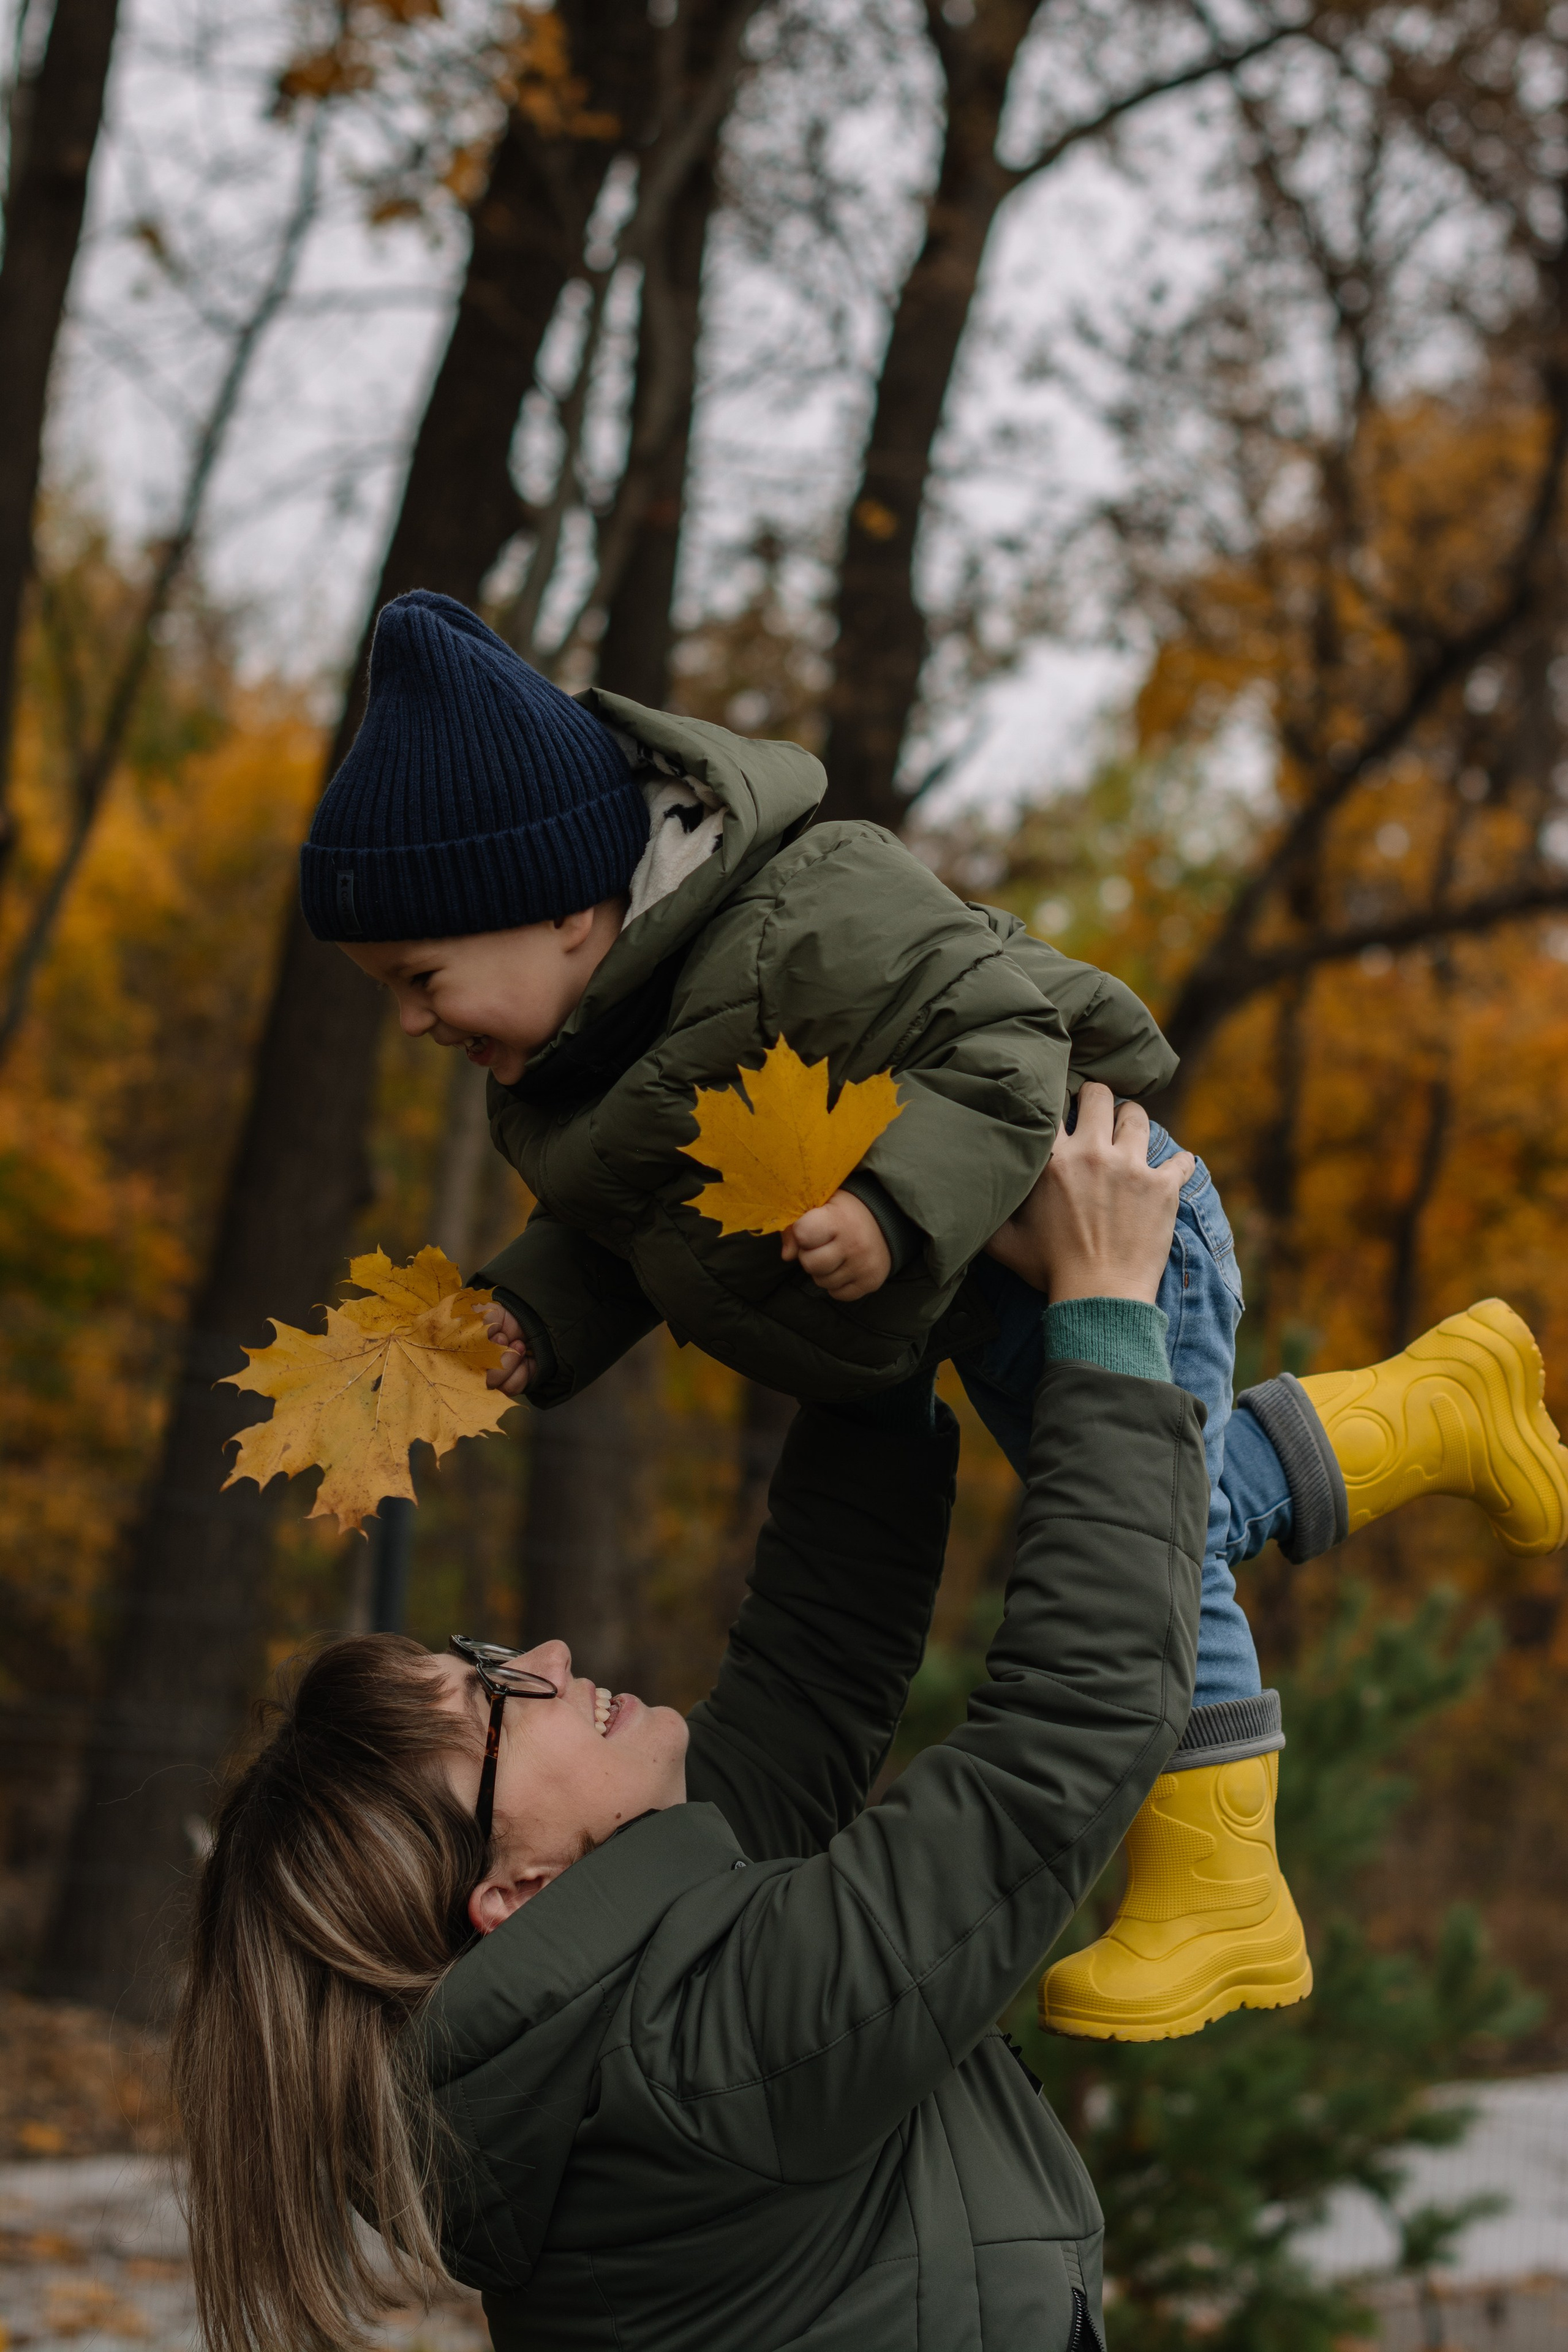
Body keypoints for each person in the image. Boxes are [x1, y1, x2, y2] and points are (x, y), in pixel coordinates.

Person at [296, 589, 1568, 2041]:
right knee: (1174, 1498)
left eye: (421, 977)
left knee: (1164, 1537)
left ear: (562, 907)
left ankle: (1219, 1892)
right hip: (991, 1291)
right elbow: (617, 1229)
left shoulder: (808, 911)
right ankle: (1444, 1401)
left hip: (1099, 1216)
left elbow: (1004, 1038)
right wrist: (532, 1316)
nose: (412, 1022)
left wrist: (894, 1209)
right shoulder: (588, 1061)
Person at [177, 1090, 1210, 2352]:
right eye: (500, 1701)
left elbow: (809, 1673)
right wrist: (1103, 1312)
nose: (551, 1658)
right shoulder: (696, 2063)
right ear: (510, 1893)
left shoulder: (596, 2033)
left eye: (488, 1658)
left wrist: (884, 1336)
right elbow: (1067, 1734)